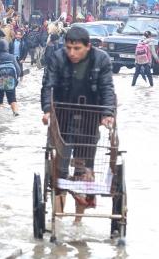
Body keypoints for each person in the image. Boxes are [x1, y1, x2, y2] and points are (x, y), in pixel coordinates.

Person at [40, 26, 116, 222]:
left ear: (88, 46)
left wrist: (107, 114)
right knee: (60, 170)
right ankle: (58, 217)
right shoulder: (57, 58)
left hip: (89, 118)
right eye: (68, 48)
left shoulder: (101, 59)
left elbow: (107, 88)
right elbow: (48, 85)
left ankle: (78, 220)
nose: (72, 53)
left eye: (77, 48)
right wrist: (47, 110)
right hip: (62, 118)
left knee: (83, 169)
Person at [0, 40, 21, 116]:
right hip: (10, 80)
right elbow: (18, 70)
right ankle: (15, 112)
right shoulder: (11, 56)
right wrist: (16, 80)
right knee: (12, 99)